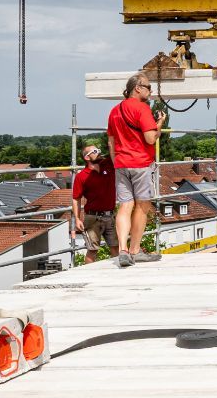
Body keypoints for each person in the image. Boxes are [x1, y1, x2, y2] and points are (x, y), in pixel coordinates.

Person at [106, 73, 165, 267]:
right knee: (142, 206)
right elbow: (150, 138)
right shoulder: (142, 108)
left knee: (125, 206)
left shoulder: (115, 110)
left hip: (121, 164)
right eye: (148, 87)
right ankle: (135, 250)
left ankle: (122, 250)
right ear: (137, 88)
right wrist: (160, 126)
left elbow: (111, 141)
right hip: (140, 163)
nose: (150, 91)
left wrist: (117, 162)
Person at [69, 143, 116, 265]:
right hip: (93, 218)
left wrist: (111, 138)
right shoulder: (82, 176)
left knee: (116, 247)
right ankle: (87, 275)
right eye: (95, 151)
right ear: (87, 157)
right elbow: (76, 198)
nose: (98, 152)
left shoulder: (108, 166)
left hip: (110, 216)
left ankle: (118, 276)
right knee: (92, 250)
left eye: (99, 150)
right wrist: (78, 219)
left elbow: (114, 150)